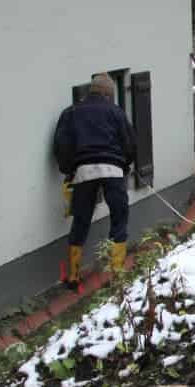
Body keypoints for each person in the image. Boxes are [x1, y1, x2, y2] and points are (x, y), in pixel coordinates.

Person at [53, 73, 136, 285]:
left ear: (91, 91)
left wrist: (69, 170)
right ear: (109, 94)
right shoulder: (116, 112)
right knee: (119, 218)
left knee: (81, 220)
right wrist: (125, 164)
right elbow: (129, 144)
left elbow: (62, 146)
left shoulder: (71, 113)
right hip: (113, 170)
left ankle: (73, 276)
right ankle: (116, 273)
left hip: (84, 171)